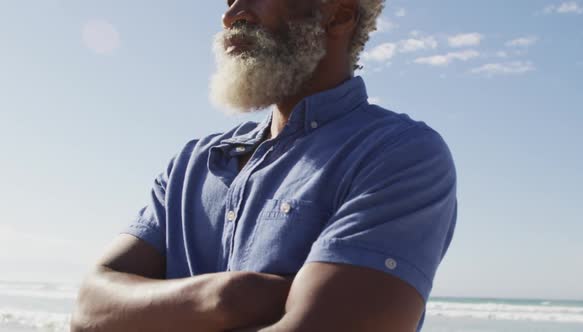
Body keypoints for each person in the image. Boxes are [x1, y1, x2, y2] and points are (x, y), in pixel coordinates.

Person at [71, 0, 457, 331]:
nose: (232, 15)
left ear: (338, 15)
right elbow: (89, 308)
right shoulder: (191, 165)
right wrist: (232, 296)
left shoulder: (398, 153)